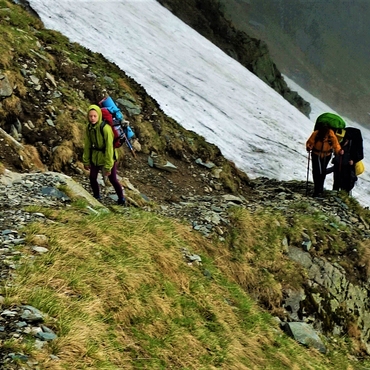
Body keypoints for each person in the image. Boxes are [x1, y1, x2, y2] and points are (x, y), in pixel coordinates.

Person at [82, 104, 126, 205]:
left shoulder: (105, 129)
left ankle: (121, 199)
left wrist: (108, 167)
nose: (92, 118)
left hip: (108, 157)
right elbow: (87, 144)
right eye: (90, 116)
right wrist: (86, 161)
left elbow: (109, 148)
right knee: (92, 177)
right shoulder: (89, 128)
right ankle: (96, 197)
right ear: (88, 116)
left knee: (113, 179)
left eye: (95, 116)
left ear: (99, 116)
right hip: (95, 156)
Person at [306, 126, 342, 197]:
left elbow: (336, 145)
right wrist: (309, 146)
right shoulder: (317, 133)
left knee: (321, 172)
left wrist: (338, 151)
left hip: (325, 155)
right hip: (318, 155)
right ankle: (318, 189)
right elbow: (310, 142)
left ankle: (319, 189)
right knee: (318, 171)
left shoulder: (330, 135)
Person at [330, 128, 361, 193]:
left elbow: (359, 154)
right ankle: (338, 196)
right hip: (340, 163)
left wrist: (353, 160)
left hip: (347, 166)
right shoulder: (342, 140)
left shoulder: (354, 143)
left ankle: (338, 195)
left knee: (345, 182)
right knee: (337, 181)